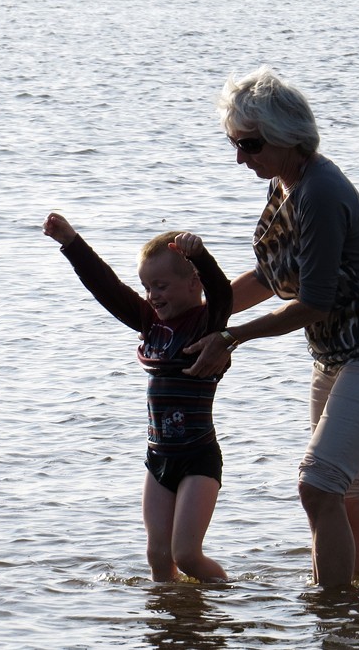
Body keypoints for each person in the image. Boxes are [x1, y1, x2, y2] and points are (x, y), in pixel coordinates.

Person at [183, 66, 359, 589]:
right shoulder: (286, 181)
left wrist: (231, 337)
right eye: (234, 144)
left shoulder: (320, 192)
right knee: (345, 490)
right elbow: (269, 278)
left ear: (287, 135)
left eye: (249, 144)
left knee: (318, 486)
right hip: (336, 354)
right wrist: (194, 317)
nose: (240, 157)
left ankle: (330, 612)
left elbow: (313, 303)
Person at [43, 212, 233, 583]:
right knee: (157, 556)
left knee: (186, 555)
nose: (152, 295)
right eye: (147, 287)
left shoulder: (207, 322)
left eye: (161, 286)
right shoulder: (151, 323)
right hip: (158, 456)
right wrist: (72, 244)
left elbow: (222, 292)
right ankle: (173, 614)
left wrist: (201, 257)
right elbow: (107, 288)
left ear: (193, 282)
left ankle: (228, 599)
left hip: (197, 457)